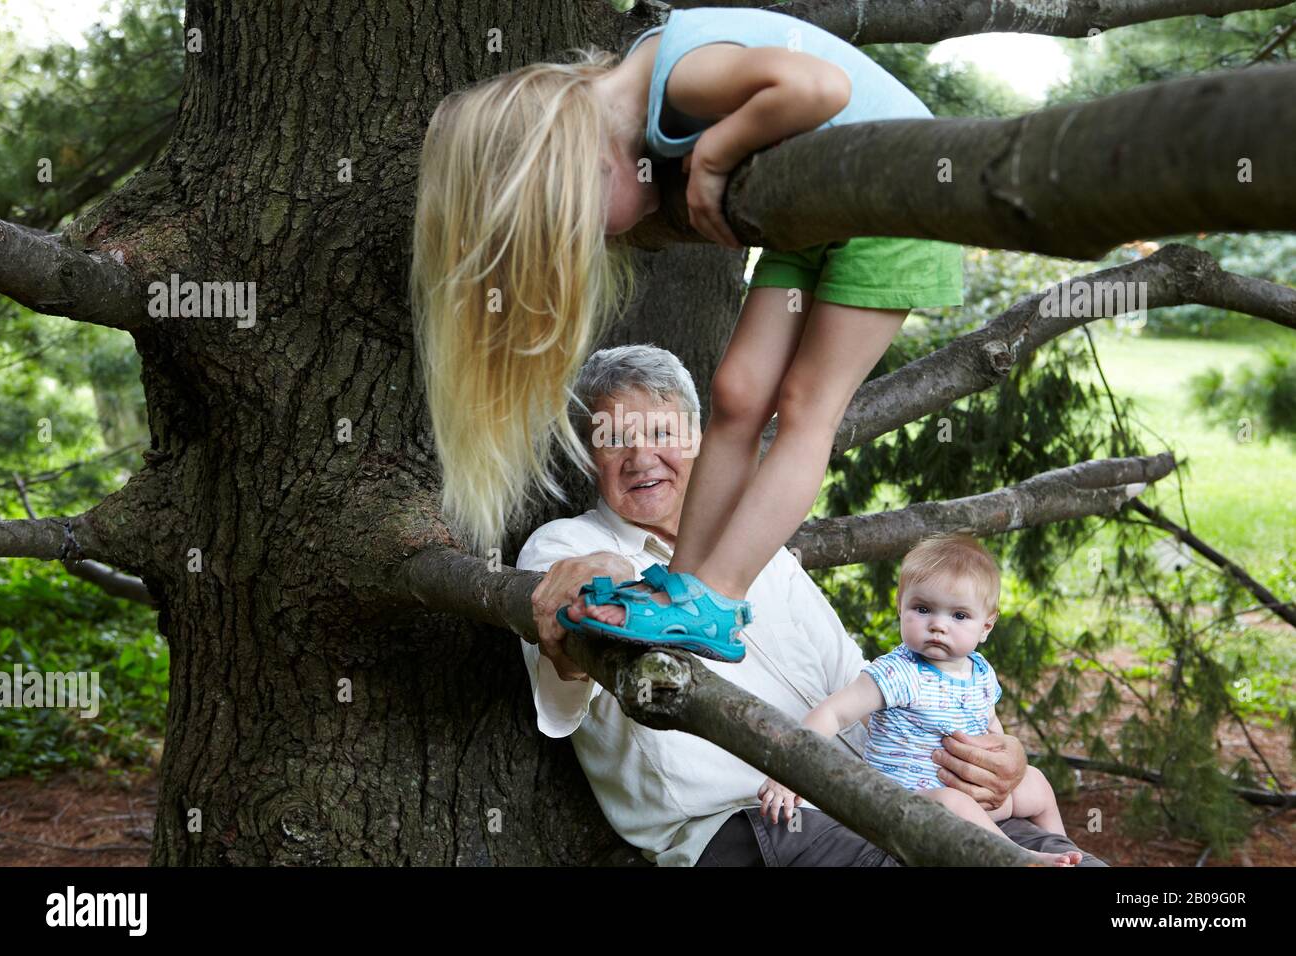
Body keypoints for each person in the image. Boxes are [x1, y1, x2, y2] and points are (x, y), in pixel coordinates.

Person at [410, 9, 963, 658]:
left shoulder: (680, 75)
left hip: (893, 195)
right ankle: (685, 590)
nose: (605, 241)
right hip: (821, 212)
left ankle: (717, 602)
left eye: (582, 229)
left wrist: (715, 159)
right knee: (735, 392)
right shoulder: (648, 92)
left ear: (587, 167)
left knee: (808, 407)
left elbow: (819, 90)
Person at [518, 344, 1105, 866]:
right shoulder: (566, 550)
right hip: (748, 824)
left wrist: (993, 750)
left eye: (662, 432)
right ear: (588, 456)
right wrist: (604, 586)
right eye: (615, 440)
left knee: (1065, 858)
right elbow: (565, 687)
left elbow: (859, 680)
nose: (642, 458)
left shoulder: (753, 537)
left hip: (870, 786)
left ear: (699, 436)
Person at [758, 533, 1085, 865]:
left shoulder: (981, 673)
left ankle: (1064, 850)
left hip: (972, 796)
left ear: (986, 625)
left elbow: (990, 728)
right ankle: (1017, 858)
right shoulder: (897, 673)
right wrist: (790, 769)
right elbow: (832, 713)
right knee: (950, 803)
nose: (938, 626)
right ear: (901, 606)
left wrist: (998, 767)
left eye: (959, 615)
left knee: (1036, 782)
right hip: (905, 805)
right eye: (923, 609)